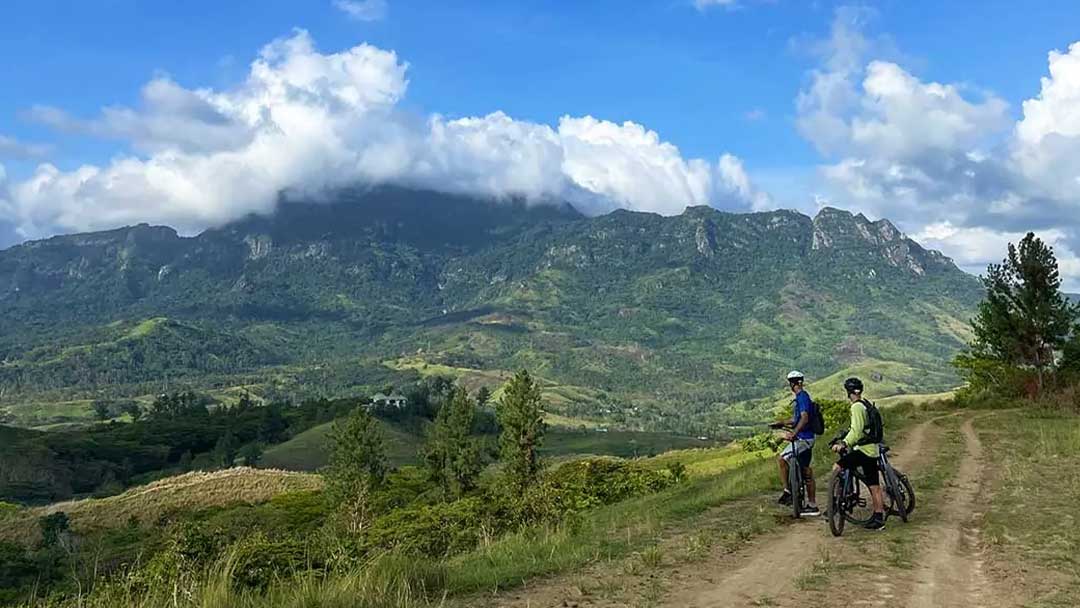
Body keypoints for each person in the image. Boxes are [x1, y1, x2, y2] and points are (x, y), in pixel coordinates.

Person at [832, 377, 886, 530]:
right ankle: (878, 518)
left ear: (848, 392)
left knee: (837, 466)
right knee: (874, 485)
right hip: (873, 450)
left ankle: (836, 502)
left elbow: (856, 431)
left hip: (862, 450)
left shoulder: (856, 407)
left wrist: (843, 443)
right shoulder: (865, 404)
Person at [777, 370, 819, 516]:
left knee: (782, 459)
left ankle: (788, 490)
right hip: (807, 438)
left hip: (804, 439)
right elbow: (798, 419)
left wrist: (793, 433)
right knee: (806, 470)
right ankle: (812, 504)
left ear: (792, 384)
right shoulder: (804, 397)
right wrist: (782, 423)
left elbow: (805, 418)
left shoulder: (801, 397)